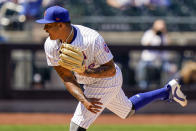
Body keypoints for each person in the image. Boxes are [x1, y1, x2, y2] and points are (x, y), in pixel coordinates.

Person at [36, 6, 187, 131]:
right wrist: (83, 99)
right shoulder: (50, 45)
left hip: (108, 79)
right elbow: (67, 78)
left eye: (48, 25)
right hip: (88, 82)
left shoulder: (91, 38)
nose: (44, 28)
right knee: (128, 111)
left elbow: (111, 69)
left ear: (61, 25)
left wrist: (86, 72)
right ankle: (167, 91)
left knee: (76, 127)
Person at [137, 19, 169, 89]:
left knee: (168, 68)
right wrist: (155, 33)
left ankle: (165, 90)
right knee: (142, 68)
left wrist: (164, 33)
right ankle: (142, 89)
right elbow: (145, 44)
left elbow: (168, 45)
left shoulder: (164, 35)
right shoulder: (149, 33)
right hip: (148, 60)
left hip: (161, 60)